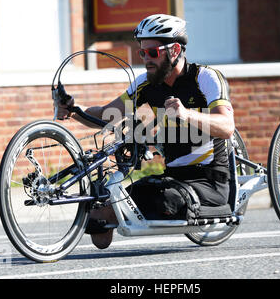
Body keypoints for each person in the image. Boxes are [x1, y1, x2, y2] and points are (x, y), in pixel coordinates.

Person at [56, 14, 235, 249]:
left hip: (209, 181)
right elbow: (107, 113)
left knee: (163, 200)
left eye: (153, 53)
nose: (146, 60)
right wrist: (74, 111)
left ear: (175, 50)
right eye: (142, 53)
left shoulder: (205, 78)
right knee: (99, 220)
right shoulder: (145, 84)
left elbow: (227, 126)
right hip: (172, 178)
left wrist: (186, 114)